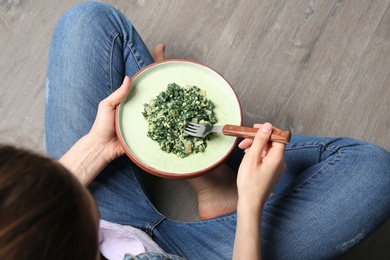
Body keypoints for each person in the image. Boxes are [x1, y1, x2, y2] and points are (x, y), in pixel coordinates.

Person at [1, 2, 390, 259]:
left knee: (89, 21)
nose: (64, 170)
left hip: (99, 223)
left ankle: (210, 172)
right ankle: (225, 162)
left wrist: (93, 150)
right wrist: (250, 205)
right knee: (374, 174)